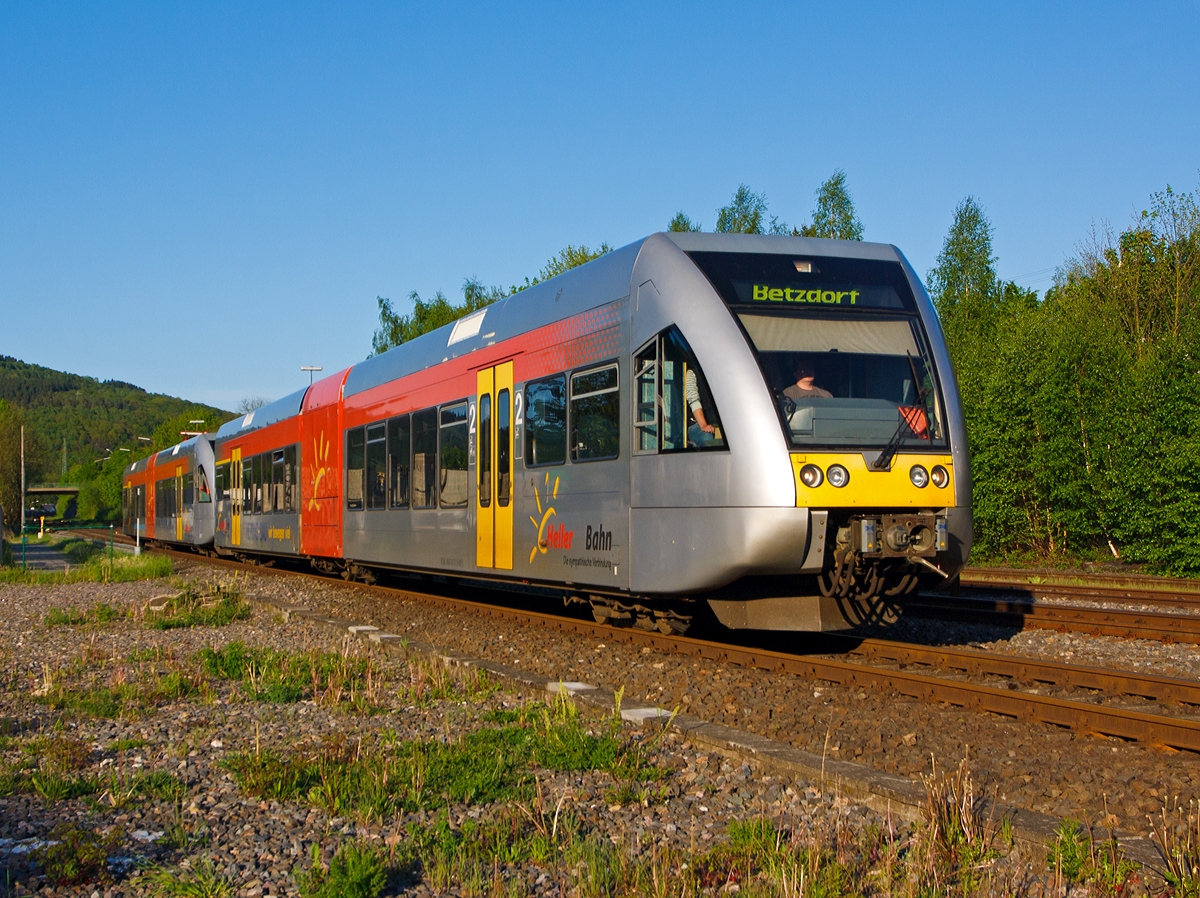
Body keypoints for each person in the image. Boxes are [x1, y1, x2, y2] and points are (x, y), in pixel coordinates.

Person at [685, 367, 720, 447]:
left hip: (717, 423)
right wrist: (703, 425)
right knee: (706, 438)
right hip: (697, 423)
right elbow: (693, 400)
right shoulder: (691, 373)